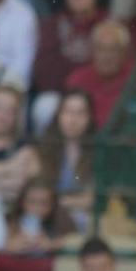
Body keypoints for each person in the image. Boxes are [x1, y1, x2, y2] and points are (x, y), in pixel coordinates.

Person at [31, 0, 102, 129]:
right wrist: (80, 73)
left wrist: (70, 67)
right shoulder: (52, 24)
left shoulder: (106, 23)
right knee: (45, 105)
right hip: (61, 93)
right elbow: (43, 72)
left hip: (97, 91)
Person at [34, 85, 93, 230]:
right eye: (68, 112)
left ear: (89, 118)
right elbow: (36, 194)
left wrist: (58, 202)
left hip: (81, 220)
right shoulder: (42, 150)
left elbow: (92, 199)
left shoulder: (96, 153)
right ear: (58, 115)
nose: (73, 119)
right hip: (44, 219)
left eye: (80, 113)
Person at [63, 18, 131, 130]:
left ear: (124, 52)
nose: (106, 56)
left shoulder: (135, 79)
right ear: (92, 51)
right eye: (101, 49)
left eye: (113, 49)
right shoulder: (77, 80)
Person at [3, 175, 67, 252]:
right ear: (21, 202)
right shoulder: (9, 225)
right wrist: (10, 246)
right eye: (32, 202)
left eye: (44, 203)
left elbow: (69, 241)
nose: (37, 208)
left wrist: (51, 245)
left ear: (53, 205)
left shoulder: (56, 227)